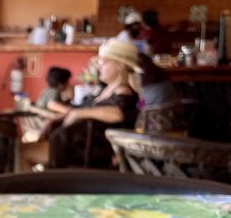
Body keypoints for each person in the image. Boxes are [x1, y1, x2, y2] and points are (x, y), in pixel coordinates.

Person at [21, 39, 141, 169]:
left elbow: (117, 113)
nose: (99, 66)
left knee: (22, 152)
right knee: (19, 150)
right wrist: (56, 118)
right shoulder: (106, 90)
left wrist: (78, 113)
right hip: (75, 148)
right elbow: (83, 109)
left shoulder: (124, 92)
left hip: (89, 155)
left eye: (103, 62)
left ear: (120, 65)